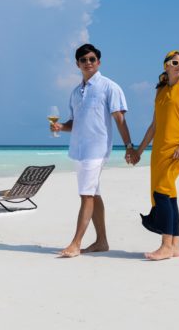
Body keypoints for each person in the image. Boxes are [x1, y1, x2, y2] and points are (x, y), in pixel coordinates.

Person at [50, 44, 137, 258]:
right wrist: (61, 127)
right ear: (77, 64)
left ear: (98, 61)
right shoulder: (75, 92)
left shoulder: (110, 87)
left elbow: (119, 119)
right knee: (94, 195)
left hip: (97, 150)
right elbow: (75, 122)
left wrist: (128, 146)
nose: (87, 63)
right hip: (78, 150)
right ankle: (102, 242)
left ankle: (75, 243)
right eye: (83, 60)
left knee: (86, 195)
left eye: (91, 59)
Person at [133, 50, 179, 260]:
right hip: (159, 150)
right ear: (166, 66)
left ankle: (165, 245)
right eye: (175, 62)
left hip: (177, 147)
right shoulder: (160, 91)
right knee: (168, 195)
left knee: (162, 192)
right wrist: (139, 150)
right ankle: (176, 245)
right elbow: (154, 126)